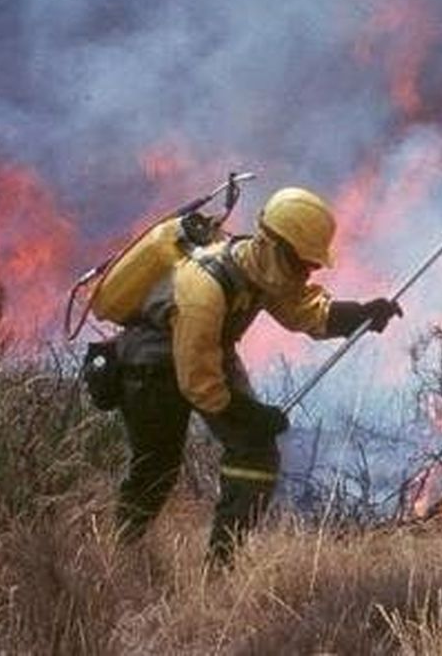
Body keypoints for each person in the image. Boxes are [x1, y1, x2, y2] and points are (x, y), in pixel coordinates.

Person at [112, 185, 402, 563]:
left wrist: (360, 314)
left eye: (311, 266)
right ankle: (117, 551)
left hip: (208, 354)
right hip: (151, 365)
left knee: (256, 455)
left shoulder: (266, 271)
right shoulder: (204, 287)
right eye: (302, 264)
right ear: (271, 245)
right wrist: (250, 414)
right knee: (158, 465)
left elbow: (305, 310)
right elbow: (198, 382)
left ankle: (220, 564)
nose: (306, 273)